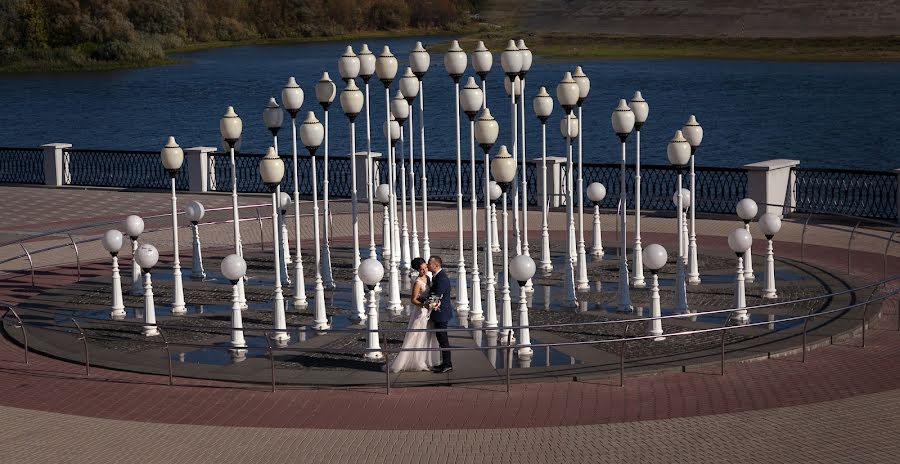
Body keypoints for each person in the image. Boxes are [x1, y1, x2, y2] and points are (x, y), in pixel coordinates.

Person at [385, 257, 440, 373]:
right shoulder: (418, 282)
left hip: (429, 312)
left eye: (425, 267)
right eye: (421, 269)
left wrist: (433, 302)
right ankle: (418, 362)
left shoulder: (429, 278)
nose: (424, 270)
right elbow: (413, 300)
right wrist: (425, 305)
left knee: (428, 336)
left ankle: (428, 360)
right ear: (417, 270)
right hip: (421, 312)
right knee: (417, 336)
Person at [426, 255, 454, 373]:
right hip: (439, 312)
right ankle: (445, 363)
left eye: (429, 263)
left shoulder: (441, 278)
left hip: (441, 313)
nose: (428, 265)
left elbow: (436, 296)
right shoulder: (437, 276)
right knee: (440, 338)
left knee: (443, 339)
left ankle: (447, 364)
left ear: (436, 265)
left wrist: (422, 302)